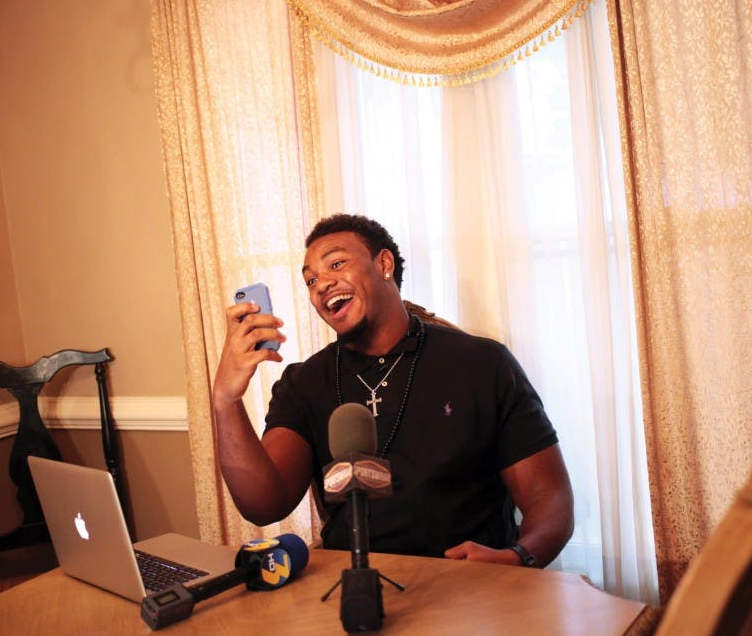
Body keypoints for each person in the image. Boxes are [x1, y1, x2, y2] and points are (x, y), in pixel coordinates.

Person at [211, 214, 574, 567]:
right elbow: (263, 504)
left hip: (466, 590)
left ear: (383, 263)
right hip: (349, 589)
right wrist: (226, 400)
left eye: (336, 264)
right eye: (310, 281)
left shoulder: (481, 362)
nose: (321, 285)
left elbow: (549, 496)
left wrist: (517, 557)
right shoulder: (304, 382)